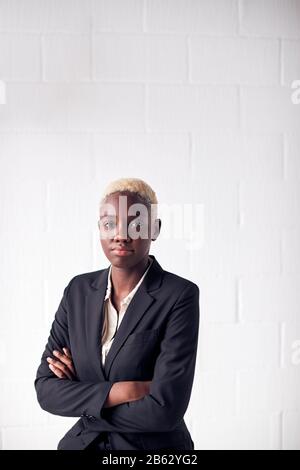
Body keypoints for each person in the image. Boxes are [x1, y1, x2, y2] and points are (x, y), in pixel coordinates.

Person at [34, 177, 200, 451]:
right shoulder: (77, 291)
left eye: (135, 225)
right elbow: (46, 390)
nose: (120, 235)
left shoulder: (179, 295)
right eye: (109, 224)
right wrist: (123, 391)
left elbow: (164, 409)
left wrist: (85, 400)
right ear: (100, 228)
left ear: (155, 229)